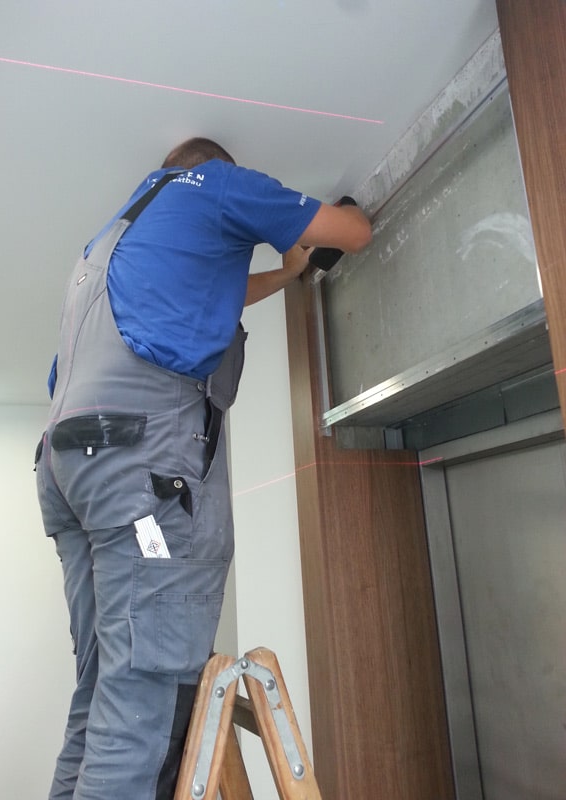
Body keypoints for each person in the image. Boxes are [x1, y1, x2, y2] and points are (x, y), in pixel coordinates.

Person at [35, 137, 371, 800]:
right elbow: (352, 231)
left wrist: (288, 273)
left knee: (104, 685)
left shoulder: (111, 240)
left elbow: (220, 293)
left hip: (68, 470)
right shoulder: (218, 184)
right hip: (135, 467)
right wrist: (311, 235)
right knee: (140, 709)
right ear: (216, 169)